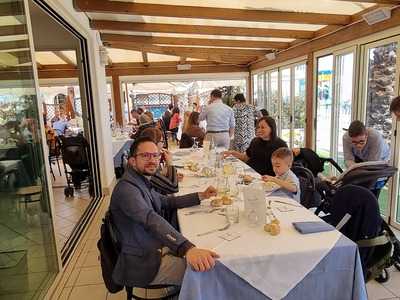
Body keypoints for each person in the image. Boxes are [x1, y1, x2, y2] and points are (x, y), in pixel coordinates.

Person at [110, 137, 219, 288]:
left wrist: (201, 195)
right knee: (210, 271)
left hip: (151, 247)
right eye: (145, 155)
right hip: (143, 263)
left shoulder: (139, 180)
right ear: (132, 161)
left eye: (155, 155)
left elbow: (166, 201)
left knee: (207, 248)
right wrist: (187, 248)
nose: (152, 160)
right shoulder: (127, 190)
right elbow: (150, 219)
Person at [223, 116, 287, 175]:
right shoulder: (255, 141)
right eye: (258, 127)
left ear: (272, 128)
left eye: (263, 127)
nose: (259, 130)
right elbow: (247, 158)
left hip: (267, 179)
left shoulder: (280, 145)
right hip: (249, 174)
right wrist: (233, 153)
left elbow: (284, 169)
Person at [139, 127, 182, 195]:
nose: (163, 145)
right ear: (155, 143)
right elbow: (173, 188)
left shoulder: (145, 157)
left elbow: (160, 181)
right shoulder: (147, 163)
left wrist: (166, 175)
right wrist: (169, 163)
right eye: (162, 142)